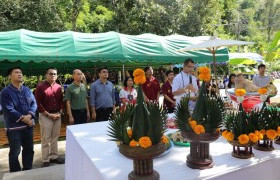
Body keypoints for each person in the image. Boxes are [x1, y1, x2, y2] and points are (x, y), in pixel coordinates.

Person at [0, 67, 37, 172]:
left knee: (29, 149)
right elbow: (8, 109)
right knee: (15, 152)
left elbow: (34, 104)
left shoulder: (27, 90)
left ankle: (28, 169)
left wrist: (30, 116)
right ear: (9, 77)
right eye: (16, 72)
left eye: (20, 72)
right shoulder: (5, 92)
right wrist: (25, 119)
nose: (19, 74)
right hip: (14, 128)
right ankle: (15, 172)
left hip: (28, 127)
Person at [35, 68, 64, 167]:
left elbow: (61, 101)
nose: (53, 75)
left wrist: (60, 112)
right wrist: (47, 114)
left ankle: (54, 157)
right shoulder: (40, 87)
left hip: (57, 115)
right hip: (45, 116)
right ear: (46, 75)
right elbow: (38, 103)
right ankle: (45, 159)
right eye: (51, 74)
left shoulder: (58, 87)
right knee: (45, 138)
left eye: (55, 74)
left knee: (55, 138)